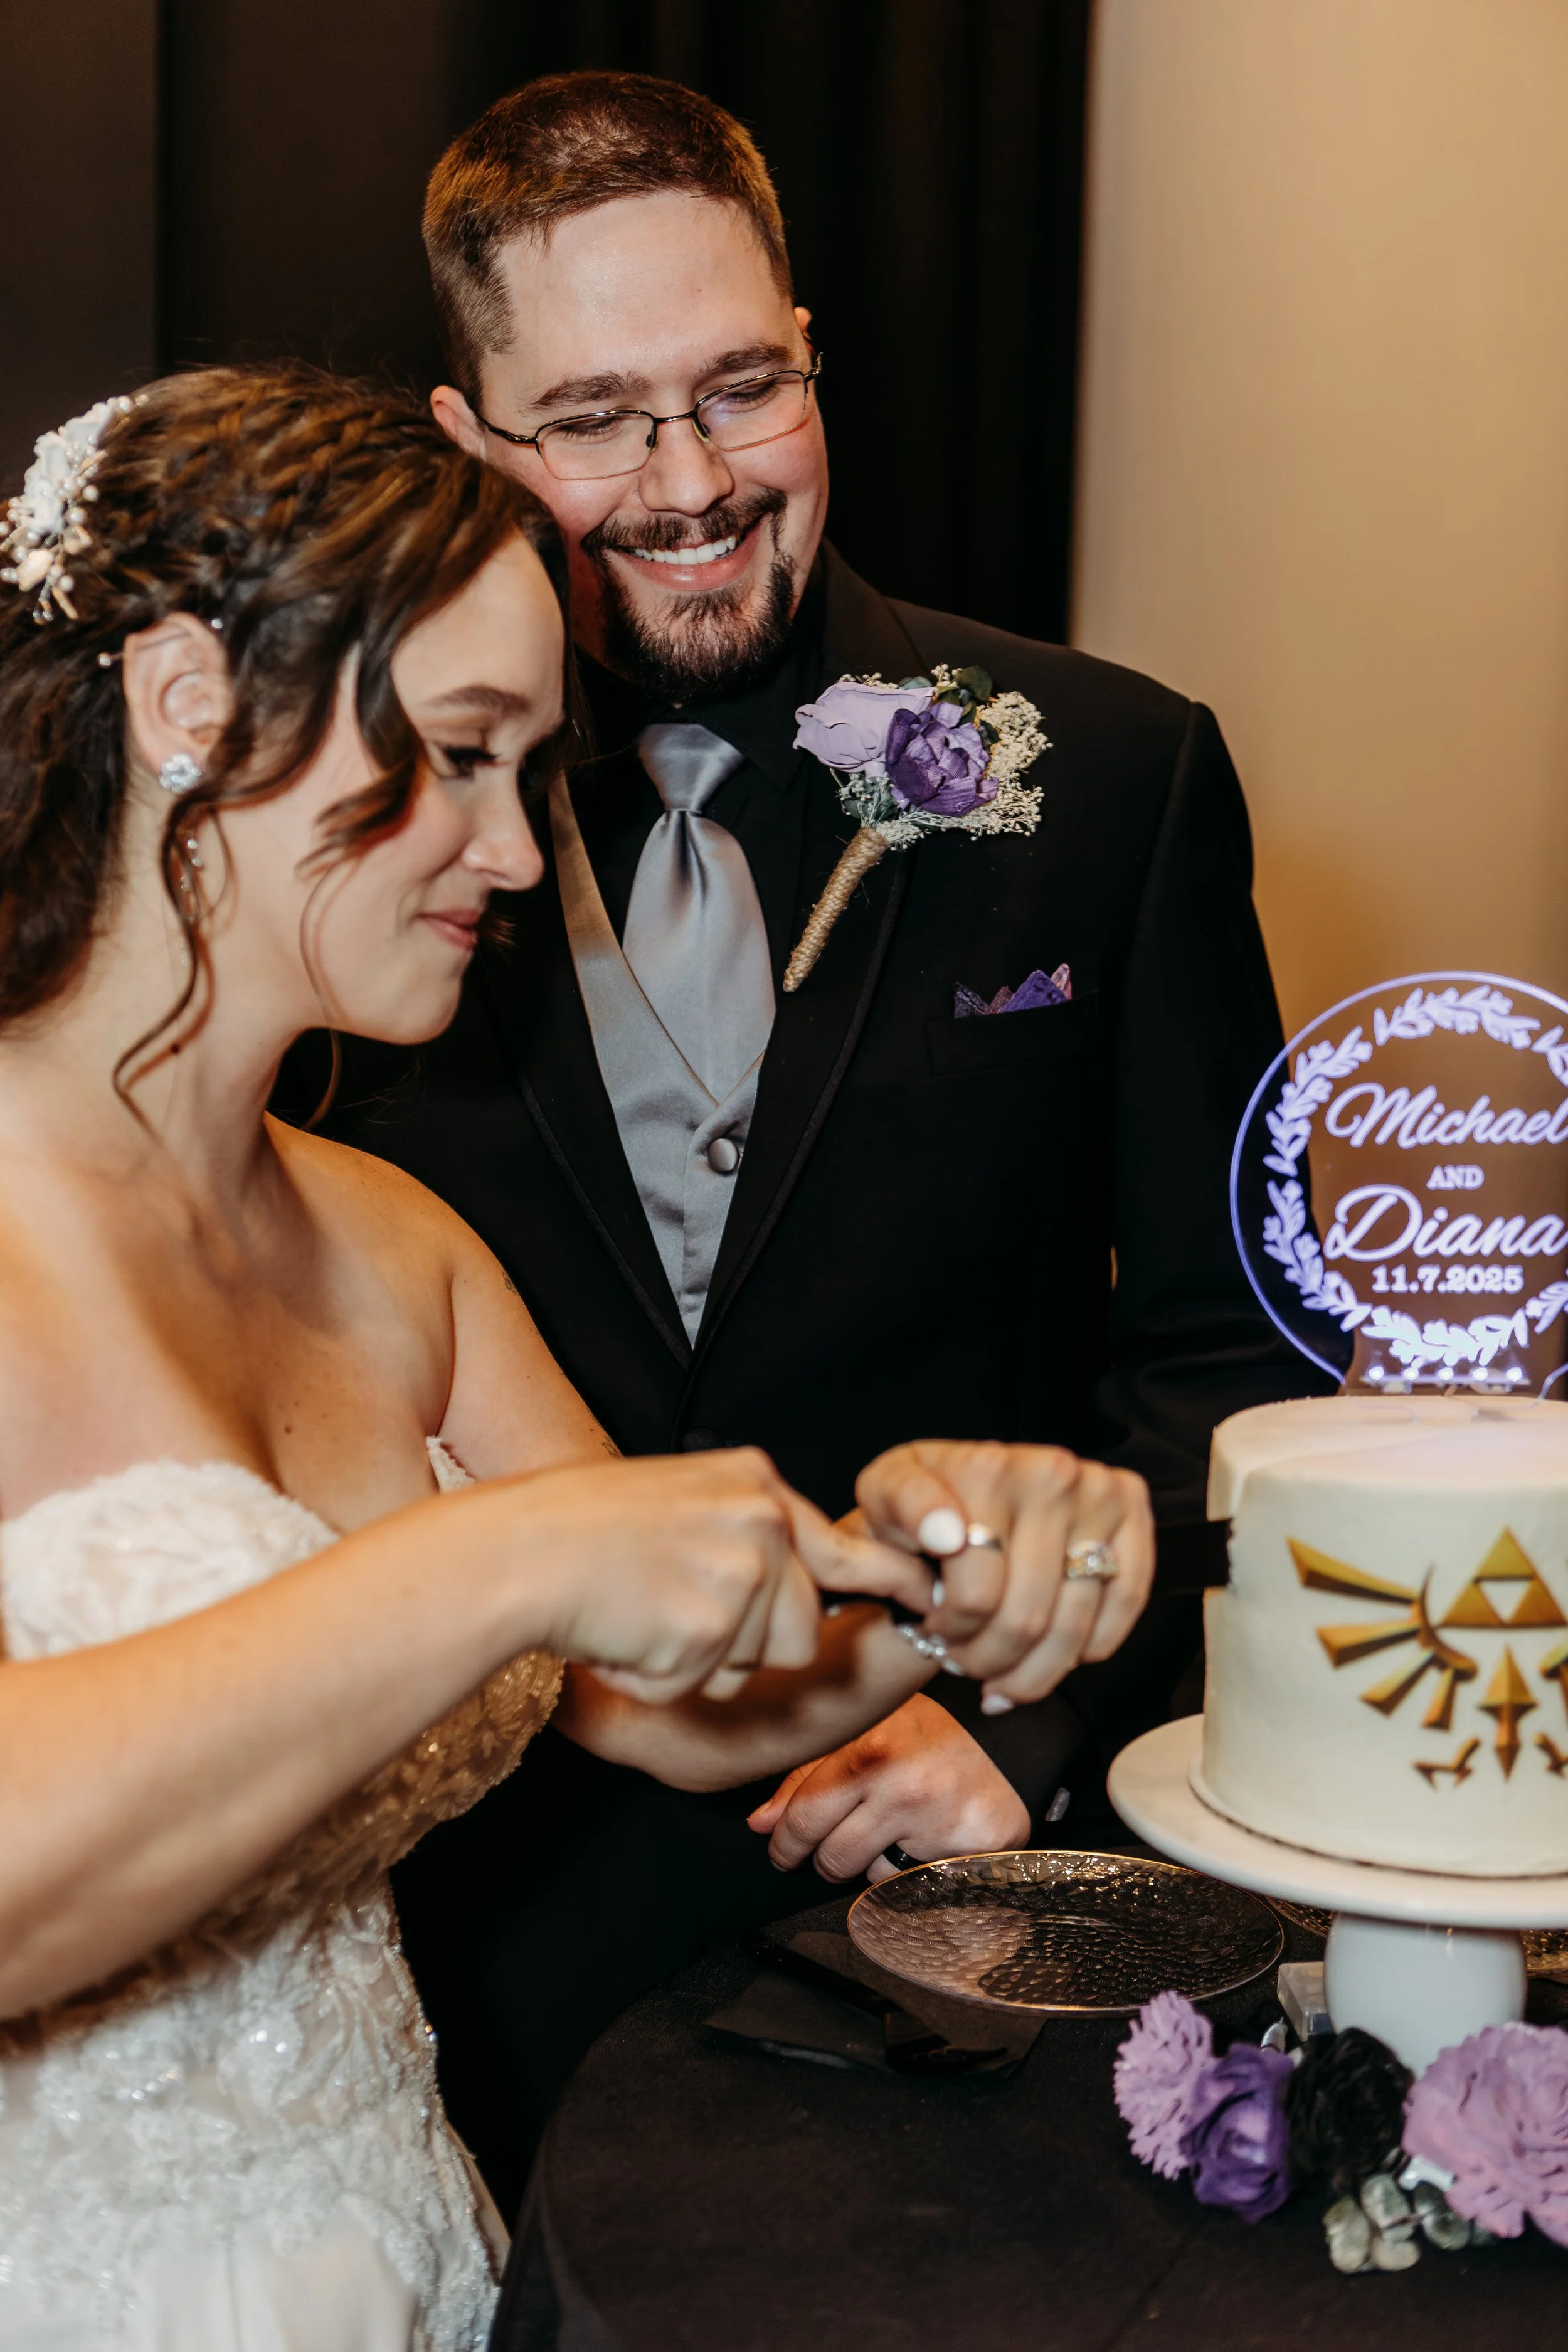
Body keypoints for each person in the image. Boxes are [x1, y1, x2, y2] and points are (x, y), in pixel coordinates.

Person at [0, 364, 1153, 2347]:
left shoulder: (392, 1246)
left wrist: (955, 1558)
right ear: (190, 702)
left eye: (534, 769)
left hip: (417, 2260)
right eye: (458, 753)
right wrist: (505, 1559)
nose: (523, 855)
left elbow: (682, 1696)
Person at [289, 68, 1324, 2210]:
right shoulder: (350, 836)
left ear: (810, 355)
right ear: (466, 437)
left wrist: (1024, 1733)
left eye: (740, 385)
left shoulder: (1113, 780)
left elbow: (1237, 1368)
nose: (687, 482)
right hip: (468, 1929)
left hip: (963, 1903)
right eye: (589, 417)